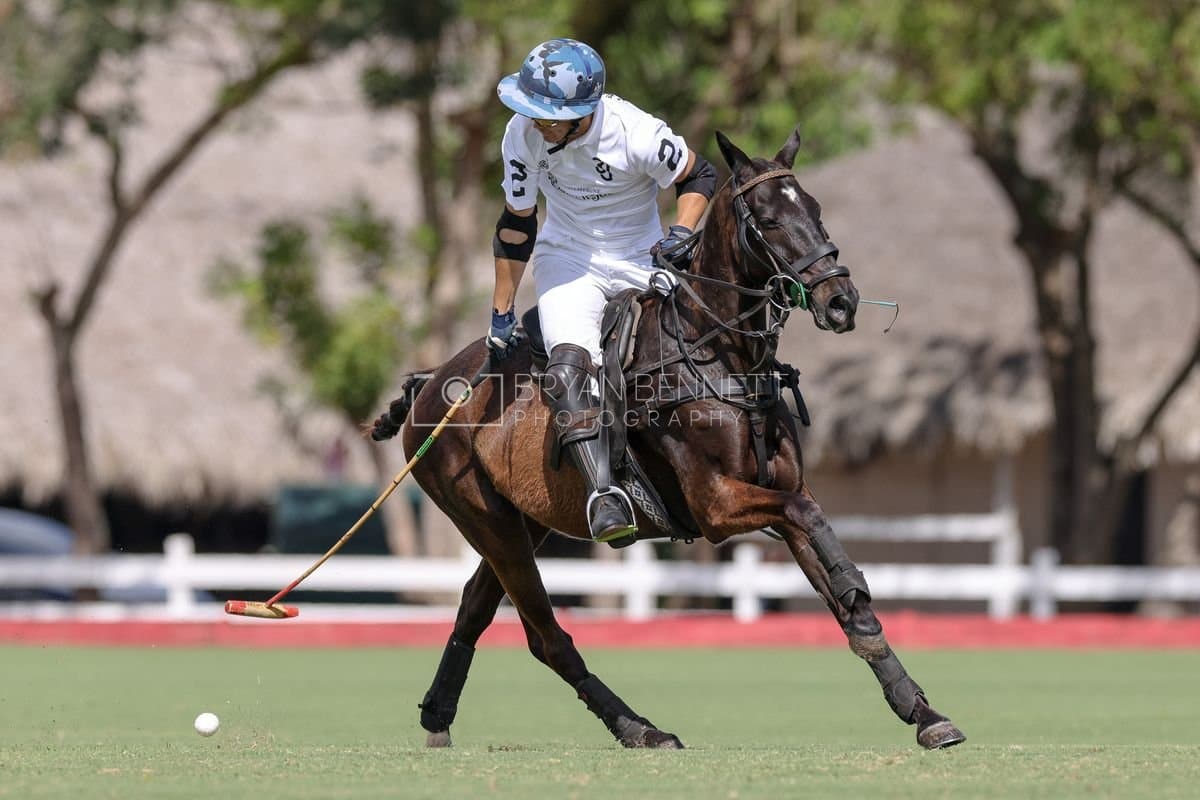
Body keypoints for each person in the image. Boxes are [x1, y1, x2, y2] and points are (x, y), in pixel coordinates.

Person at [485, 38, 717, 544]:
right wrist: (501, 311)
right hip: (567, 259)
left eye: (548, 115)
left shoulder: (636, 133)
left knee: (707, 348)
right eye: (532, 111)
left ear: (583, 111)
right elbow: (515, 225)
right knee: (567, 369)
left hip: (643, 258)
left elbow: (698, 174)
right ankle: (604, 495)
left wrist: (681, 234)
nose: (537, 123)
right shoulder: (521, 136)